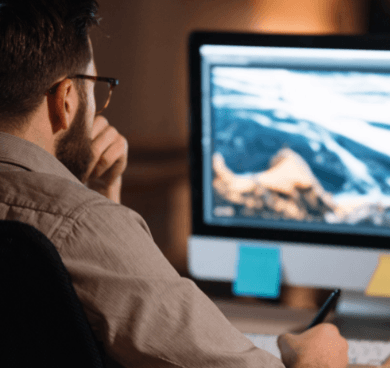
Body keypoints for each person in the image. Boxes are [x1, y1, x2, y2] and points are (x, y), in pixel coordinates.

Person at [0, 1, 348, 367]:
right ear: (66, 100)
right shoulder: (79, 225)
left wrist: (102, 200)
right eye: (94, 87)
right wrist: (319, 359)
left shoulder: (70, 223)